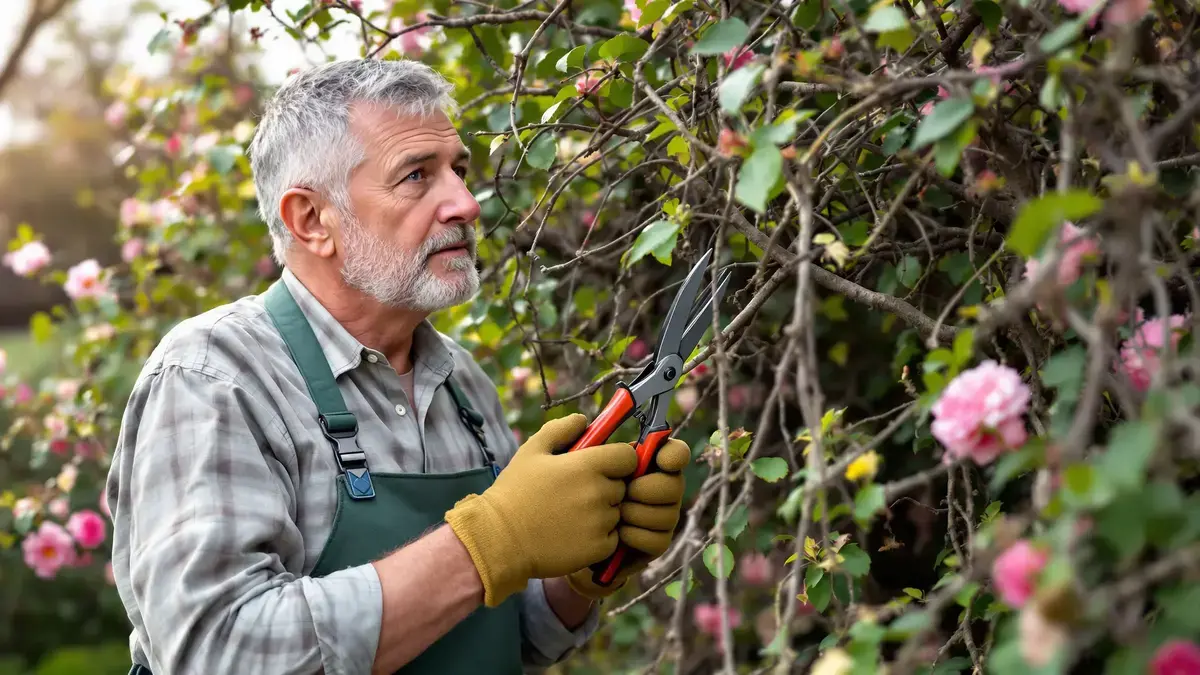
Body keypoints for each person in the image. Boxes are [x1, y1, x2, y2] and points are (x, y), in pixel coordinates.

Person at [104, 58, 692, 675]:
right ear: (312, 220)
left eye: (459, 171)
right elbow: (219, 652)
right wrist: (491, 542)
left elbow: (504, 636)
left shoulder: (462, 383)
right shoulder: (214, 377)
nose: (465, 204)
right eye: (416, 176)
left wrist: (581, 572)